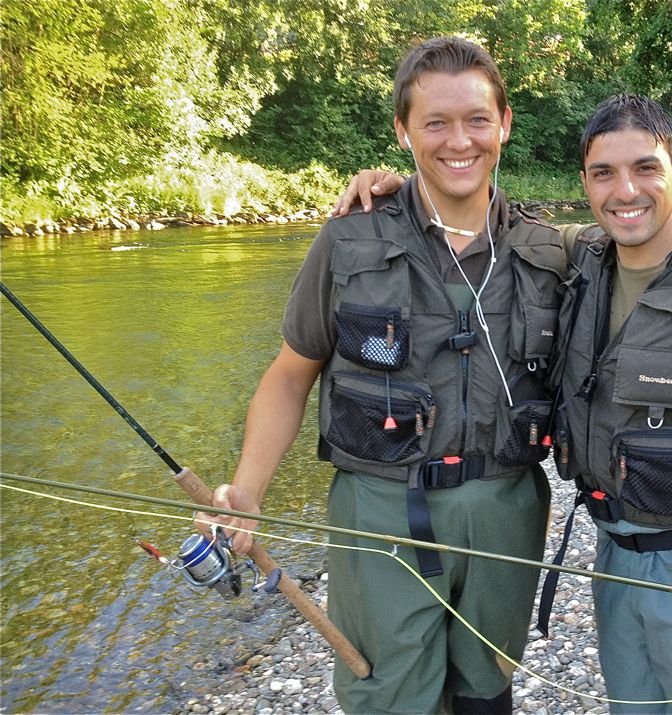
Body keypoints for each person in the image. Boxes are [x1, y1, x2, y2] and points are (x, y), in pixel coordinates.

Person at [338, 94, 672, 714]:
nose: (626, 191)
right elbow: (479, 220)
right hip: (613, 561)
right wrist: (401, 188)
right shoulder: (581, 257)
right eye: (604, 174)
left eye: (646, 168)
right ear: (586, 185)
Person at [200, 36, 567, 714]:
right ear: (403, 131)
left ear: (505, 124)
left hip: (505, 514)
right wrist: (246, 489)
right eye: (435, 122)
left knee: (488, 694)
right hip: (380, 513)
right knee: (392, 697)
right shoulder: (346, 240)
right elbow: (289, 374)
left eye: (477, 119)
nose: (460, 141)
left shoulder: (550, 249)